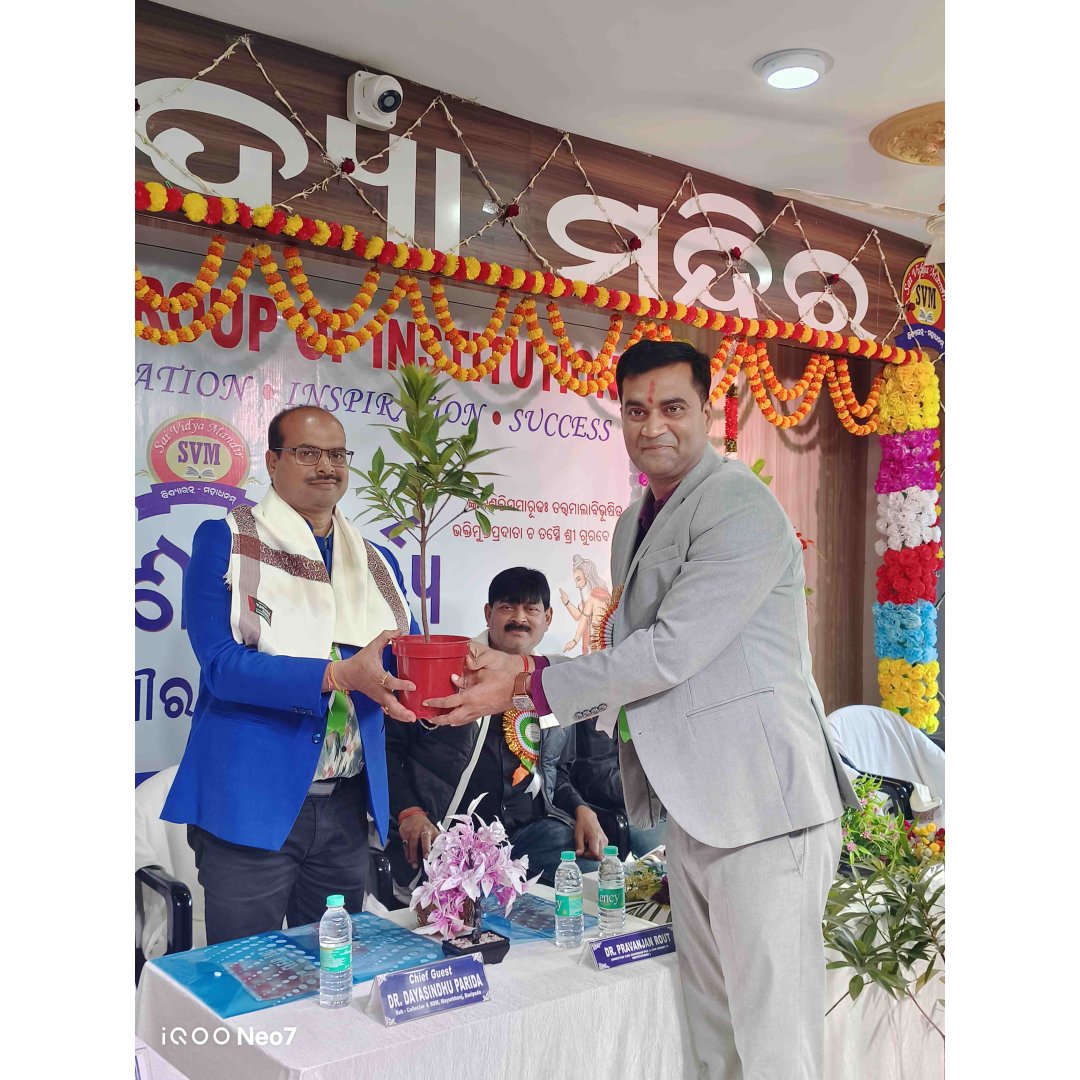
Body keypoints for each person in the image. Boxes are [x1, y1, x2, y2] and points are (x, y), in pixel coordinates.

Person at [425, 340, 857, 1080]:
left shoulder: (739, 505)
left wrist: (529, 680)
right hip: (695, 805)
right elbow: (630, 654)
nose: (653, 426)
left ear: (709, 412)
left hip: (764, 806)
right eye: (635, 410)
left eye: (673, 407)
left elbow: (668, 651)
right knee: (713, 1034)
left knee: (775, 1044)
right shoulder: (635, 521)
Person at [161, 405, 419, 945]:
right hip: (251, 799)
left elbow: (400, 662)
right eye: (308, 453)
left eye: (337, 454)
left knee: (331, 969)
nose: (327, 466)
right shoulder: (226, 540)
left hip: (346, 806)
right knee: (244, 971)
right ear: (273, 462)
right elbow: (222, 667)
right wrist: (336, 674)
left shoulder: (375, 561)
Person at [384, 567, 607, 888]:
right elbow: (388, 752)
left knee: (592, 875)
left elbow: (556, 771)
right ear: (488, 614)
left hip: (532, 833)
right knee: (466, 908)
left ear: (548, 617)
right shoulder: (445, 668)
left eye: (531, 609)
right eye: (507, 607)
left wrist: (581, 807)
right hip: (453, 835)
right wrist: (410, 812)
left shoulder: (554, 683)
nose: (519, 618)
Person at [570, 718, 666, 857]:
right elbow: (598, 773)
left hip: (661, 796)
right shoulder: (595, 709)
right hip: (626, 804)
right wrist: (660, 792)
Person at [559, 554, 612, 654]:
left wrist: (574, 641)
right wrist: (566, 602)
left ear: (587, 576)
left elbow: (583, 621)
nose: (577, 585)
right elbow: (578, 616)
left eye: (578, 579)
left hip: (601, 645)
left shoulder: (594, 598)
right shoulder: (591, 600)